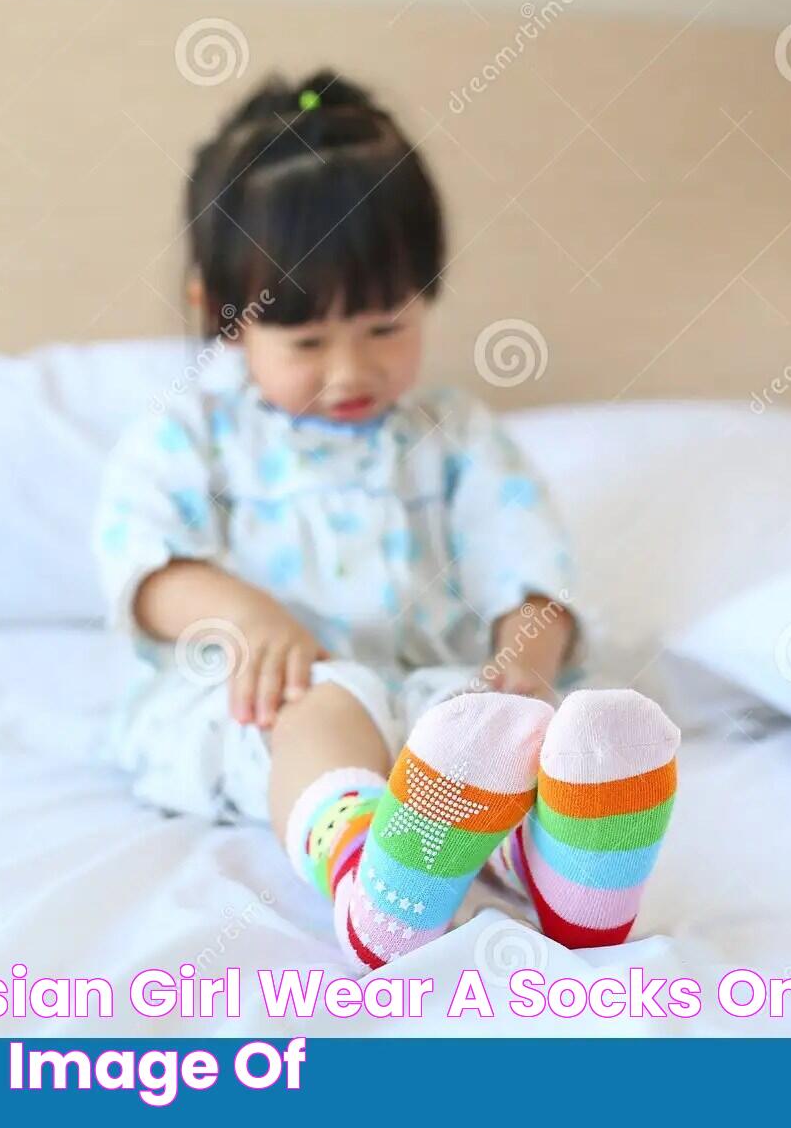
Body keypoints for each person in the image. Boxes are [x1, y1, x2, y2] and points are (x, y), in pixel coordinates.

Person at [96, 70, 679, 969]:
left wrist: (520, 665)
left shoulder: (454, 438)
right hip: (272, 698)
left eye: (383, 327)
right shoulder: (192, 431)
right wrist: (254, 622)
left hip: (432, 701)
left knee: (508, 732)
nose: (348, 371)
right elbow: (150, 568)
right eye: (305, 342)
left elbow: (529, 573)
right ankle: (369, 878)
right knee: (328, 707)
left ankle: (563, 878)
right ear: (219, 312)